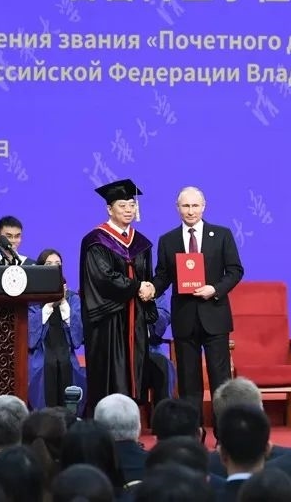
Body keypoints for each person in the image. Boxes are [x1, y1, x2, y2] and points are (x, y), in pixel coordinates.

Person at [152, 186, 245, 427]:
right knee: (188, 381)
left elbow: (235, 271)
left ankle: (224, 432)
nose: (191, 211)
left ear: (203, 206)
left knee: (220, 380)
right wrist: (151, 288)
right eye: (186, 206)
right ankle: (192, 431)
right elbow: (162, 276)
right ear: (177, 208)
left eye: (195, 205)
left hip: (215, 315)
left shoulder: (222, 235)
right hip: (184, 318)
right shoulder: (167, 240)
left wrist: (215, 289)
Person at [78, 178, 158, 415]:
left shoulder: (141, 243)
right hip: (109, 319)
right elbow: (103, 278)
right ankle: (106, 422)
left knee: (136, 371)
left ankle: (129, 419)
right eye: (122, 205)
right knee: (111, 374)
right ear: (109, 209)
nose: (128, 210)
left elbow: (147, 277)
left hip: (135, 317)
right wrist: (137, 286)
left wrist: (149, 289)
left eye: (132, 205)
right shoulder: (96, 240)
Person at [27, 249, 86, 413]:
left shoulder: (72, 298)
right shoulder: (31, 299)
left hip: (66, 354)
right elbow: (29, 339)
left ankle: (70, 419)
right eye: (48, 264)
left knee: (73, 370)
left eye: (57, 264)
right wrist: (48, 306)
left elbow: (78, 338)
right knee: (41, 370)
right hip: (40, 355)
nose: (54, 267)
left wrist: (63, 303)